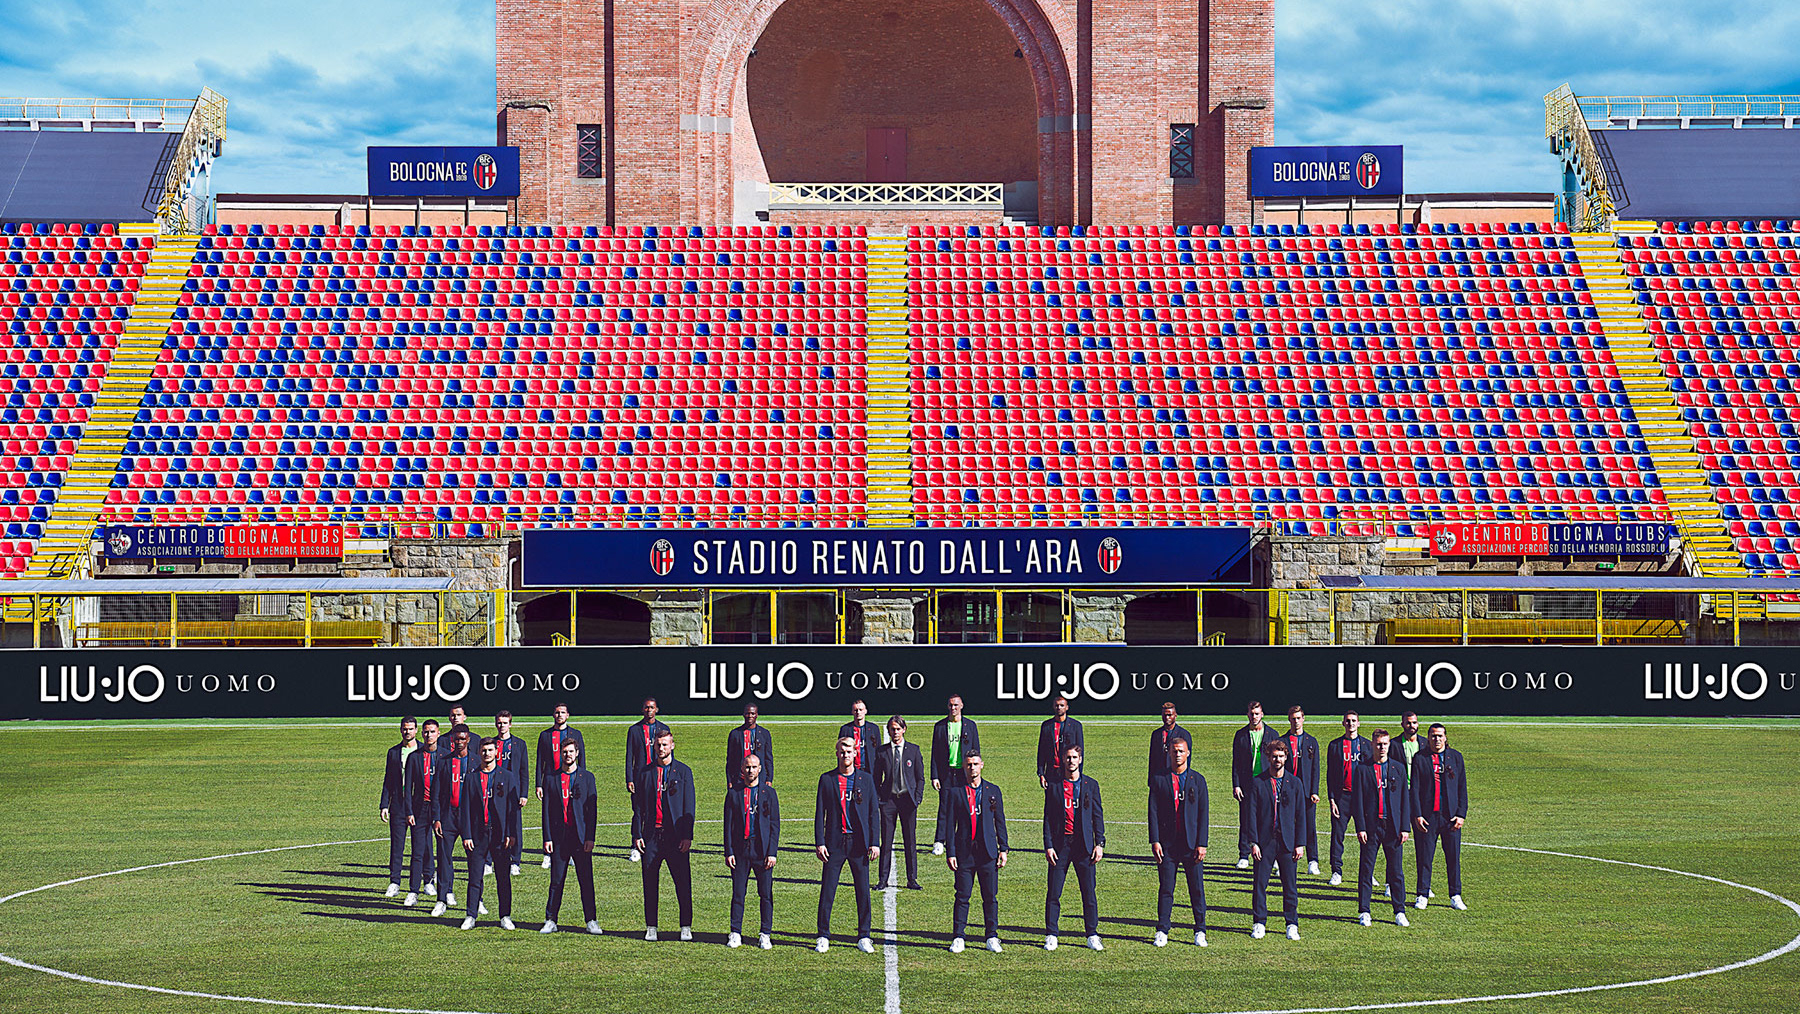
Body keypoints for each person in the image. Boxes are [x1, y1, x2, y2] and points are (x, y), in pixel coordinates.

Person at [814, 736, 880, 953]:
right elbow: (819, 814)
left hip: (859, 843)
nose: (845, 755)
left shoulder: (866, 780)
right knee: (828, 889)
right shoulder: (827, 779)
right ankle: (823, 934)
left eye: (849, 751)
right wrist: (820, 842)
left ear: (855, 754)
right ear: (837, 754)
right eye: (842, 751)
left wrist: (875, 843)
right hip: (835, 843)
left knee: (862, 891)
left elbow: (873, 813)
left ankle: (864, 935)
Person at [633, 729, 695, 941]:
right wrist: (637, 833)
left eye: (665, 745)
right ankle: (651, 926)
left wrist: (687, 835)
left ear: (672, 745)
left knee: (682, 882)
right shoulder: (645, 772)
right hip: (651, 836)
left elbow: (689, 806)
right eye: (658, 745)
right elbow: (638, 807)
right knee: (649, 882)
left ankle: (685, 925)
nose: (661, 748)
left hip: (675, 837)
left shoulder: (684, 772)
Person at [1041, 743, 1104, 952]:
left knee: (1088, 892)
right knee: (1054, 892)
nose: (1071, 761)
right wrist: (1048, 845)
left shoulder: (1090, 785)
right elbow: (1048, 818)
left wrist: (1099, 843)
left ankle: (1092, 934)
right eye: (1068, 758)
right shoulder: (1055, 785)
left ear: (1081, 759)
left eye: (1074, 757)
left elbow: (1097, 815)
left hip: (1083, 845)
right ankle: (1051, 934)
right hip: (1061, 846)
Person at [1147, 736, 1208, 949]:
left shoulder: (1197, 780)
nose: (1178, 754)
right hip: (1167, 845)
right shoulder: (1159, 779)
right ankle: (1162, 929)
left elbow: (1203, 814)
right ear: (1169, 753)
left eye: (1181, 751)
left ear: (1188, 753)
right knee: (1166, 888)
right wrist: (1155, 840)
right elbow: (1152, 811)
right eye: (1174, 751)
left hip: (1191, 845)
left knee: (1196, 889)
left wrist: (1202, 843)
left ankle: (1200, 929)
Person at [946, 752, 1008, 954]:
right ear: (964, 767)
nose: (972, 768)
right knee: (962, 895)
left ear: (982, 765)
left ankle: (991, 935)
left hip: (988, 852)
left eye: (975, 764)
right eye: (968, 764)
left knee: (990, 896)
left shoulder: (992, 790)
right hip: (964, 853)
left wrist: (1004, 848)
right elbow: (950, 825)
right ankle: (958, 936)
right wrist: (951, 851)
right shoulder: (956, 792)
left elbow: (1000, 821)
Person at [457, 736, 521, 930]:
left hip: (500, 835)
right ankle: (471, 915)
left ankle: (505, 916)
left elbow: (513, 809)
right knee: (475, 876)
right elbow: (465, 809)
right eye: (484, 751)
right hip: (478, 834)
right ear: (479, 753)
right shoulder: (471, 777)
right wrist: (466, 835)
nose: (487, 754)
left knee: (503, 877)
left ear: (497, 752)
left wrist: (512, 834)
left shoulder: (507, 776)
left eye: (490, 750)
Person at [541, 739, 602, 935]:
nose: (567, 755)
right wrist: (547, 838)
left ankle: (591, 920)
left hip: (581, 837)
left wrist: (590, 837)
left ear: (577, 753)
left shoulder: (587, 777)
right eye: (564, 752)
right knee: (556, 880)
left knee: (585, 879)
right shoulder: (551, 778)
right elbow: (546, 811)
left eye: (570, 751)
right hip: (560, 837)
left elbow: (592, 810)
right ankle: (551, 919)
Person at [1247, 737, 1304, 941]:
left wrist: (1300, 844)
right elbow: (1250, 815)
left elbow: (1301, 815)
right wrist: (1253, 842)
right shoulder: (1258, 782)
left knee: (1290, 885)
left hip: (1288, 842)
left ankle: (1291, 924)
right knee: (1260, 884)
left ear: (1286, 758)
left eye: (1280, 756)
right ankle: (1259, 922)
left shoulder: (1294, 783)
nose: (1277, 760)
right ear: (1268, 758)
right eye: (1273, 756)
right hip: (1265, 842)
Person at [1354, 729, 1412, 927]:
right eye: (1378, 744)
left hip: (1393, 827)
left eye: (1385, 744)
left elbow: (1405, 798)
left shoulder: (1397, 768)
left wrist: (1405, 827)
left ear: (1389, 745)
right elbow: (1358, 801)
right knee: (1366, 869)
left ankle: (1399, 910)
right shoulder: (1363, 769)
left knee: (1396, 871)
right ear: (1372, 745)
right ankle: (1364, 910)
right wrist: (1360, 827)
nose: (1381, 747)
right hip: (1371, 827)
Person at [724, 753, 780, 950]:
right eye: (747, 767)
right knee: (738, 893)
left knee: (765, 893)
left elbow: (774, 825)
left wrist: (772, 852)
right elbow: (728, 825)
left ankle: (765, 933)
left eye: (754, 767)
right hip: (740, 850)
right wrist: (728, 851)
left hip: (762, 850)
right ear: (742, 769)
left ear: (760, 769)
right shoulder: (734, 793)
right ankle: (735, 932)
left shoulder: (769, 793)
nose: (750, 771)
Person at [1411, 723, 1469, 911]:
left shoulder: (1456, 758)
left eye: (1440, 736)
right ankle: (1422, 894)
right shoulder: (1420, 758)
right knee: (1424, 857)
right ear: (1428, 738)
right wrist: (1417, 815)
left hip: (1450, 817)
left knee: (1453, 857)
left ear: (1445, 738)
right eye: (1433, 736)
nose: (1436, 739)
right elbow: (1416, 790)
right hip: (1428, 817)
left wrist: (1461, 815)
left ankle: (1455, 894)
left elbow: (1462, 788)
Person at [874, 715, 926, 890]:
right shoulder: (882, 752)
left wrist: (917, 798)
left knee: (910, 841)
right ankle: (883, 879)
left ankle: (912, 879)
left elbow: (920, 777)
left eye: (897, 729)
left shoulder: (914, 750)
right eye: (892, 729)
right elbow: (876, 778)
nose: (894, 732)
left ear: (904, 729)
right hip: (888, 801)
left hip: (907, 801)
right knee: (886, 841)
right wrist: (879, 799)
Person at [428, 724, 475, 917]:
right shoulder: (444, 761)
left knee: (474, 859)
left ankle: (476, 900)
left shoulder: (475, 761)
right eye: (456, 739)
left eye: (462, 739)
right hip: (448, 817)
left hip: (470, 818)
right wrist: (437, 818)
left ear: (468, 739)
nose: (459, 742)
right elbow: (436, 792)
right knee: (444, 858)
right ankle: (442, 898)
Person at [1325, 711, 1373, 887]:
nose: (1351, 724)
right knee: (1337, 835)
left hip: (1363, 799)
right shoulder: (1335, 745)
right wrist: (1332, 799)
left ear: (1359, 724)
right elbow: (1330, 774)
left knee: (1367, 836)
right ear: (1343, 723)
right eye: (1348, 721)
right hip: (1342, 797)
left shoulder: (1367, 745)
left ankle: (1369, 873)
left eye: (1354, 721)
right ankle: (1336, 871)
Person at [535, 704, 585, 870]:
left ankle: (572, 852)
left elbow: (582, 759)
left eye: (562, 712)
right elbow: (539, 761)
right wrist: (539, 784)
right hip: (552, 782)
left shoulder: (576, 734)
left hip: (572, 781)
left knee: (573, 813)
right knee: (550, 815)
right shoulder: (545, 735)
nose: (559, 715)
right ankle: (548, 855)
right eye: (557, 712)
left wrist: (582, 781)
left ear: (568, 715)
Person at [930, 694, 981, 856]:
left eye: (956, 705)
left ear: (962, 706)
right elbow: (935, 754)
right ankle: (939, 841)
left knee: (966, 806)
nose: (953, 708)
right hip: (946, 773)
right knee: (944, 807)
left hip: (964, 773)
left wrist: (975, 773)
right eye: (951, 705)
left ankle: (967, 838)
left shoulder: (970, 726)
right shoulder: (940, 727)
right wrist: (935, 775)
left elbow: (976, 751)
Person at [1231, 700, 1279, 869]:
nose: (1254, 717)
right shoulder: (1241, 735)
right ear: (1247, 715)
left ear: (1262, 715)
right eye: (1251, 714)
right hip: (1247, 783)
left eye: (1257, 714)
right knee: (1246, 818)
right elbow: (1236, 762)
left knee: (1268, 818)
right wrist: (1236, 784)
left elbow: (1279, 760)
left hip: (1267, 782)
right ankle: (1244, 855)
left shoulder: (1272, 734)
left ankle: (1271, 856)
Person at [399, 719, 440, 907]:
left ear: (438, 733)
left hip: (440, 809)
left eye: (432, 732)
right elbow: (408, 788)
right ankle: (413, 891)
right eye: (426, 732)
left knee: (443, 852)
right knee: (417, 851)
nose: (428, 735)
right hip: (420, 809)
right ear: (421, 734)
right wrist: (409, 811)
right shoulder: (414, 757)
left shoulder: (445, 756)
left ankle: (443, 890)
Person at [625, 698, 671, 864]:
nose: (649, 710)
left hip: (658, 776)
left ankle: (657, 842)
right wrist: (629, 779)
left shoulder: (663, 729)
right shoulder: (634, 730)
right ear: (642, 709)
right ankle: (635, 846)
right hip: (640, 778)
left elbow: (670, 754)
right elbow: (630, 756)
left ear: (656, 709)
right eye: (646, 708)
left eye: (651, 707)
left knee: (658, 809)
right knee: (638, 811)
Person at [380, 716, 421, 899]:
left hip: (419, 805)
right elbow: (388, 780)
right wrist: (384, 804)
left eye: (411, 728)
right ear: (400, 730)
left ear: (416, 730)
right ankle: (395, 882)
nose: (407, 732)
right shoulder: (394, 752)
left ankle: (425, 881)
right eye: (405, 729)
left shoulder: (422, 751)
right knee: (397, 845)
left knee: (421, 846)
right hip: (398, 804)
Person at [1283, 706, 1322, 875]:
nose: (1296, 721)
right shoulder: (1282, 741)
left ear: (1303, 719)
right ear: (1289, 719)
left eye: (1298, 718)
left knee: (1309, 826)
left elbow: (1316, 768)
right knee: (1286, 825)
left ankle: (1312, 861)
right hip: (1287, 792)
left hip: (1307, 793)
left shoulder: (1311, 741)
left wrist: (1314, 791)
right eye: (1293, 718)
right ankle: (1283, 858)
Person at [492, 710, 530, 876]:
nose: (502, 726)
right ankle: (489, 861)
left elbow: (524, 771)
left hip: (512, 790)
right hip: (493, 790)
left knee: (514, 825)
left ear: (510, 724)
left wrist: (524, 793)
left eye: (505, 723)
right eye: (499, 723)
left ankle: (515, 861)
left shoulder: (519, 744)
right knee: (492, 825)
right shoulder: (491, 743)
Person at [1036, 694, 1085, 789]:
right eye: (1057, 705)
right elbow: (1041, 751)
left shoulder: (1075, 726)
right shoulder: (1046, 726)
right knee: (1051, 801)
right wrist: (1041, 773)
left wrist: (1079, 773)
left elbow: (1080, 750)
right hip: (1051, 771)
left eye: (1062, 705)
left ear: (1067, 707)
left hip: (1069, 770)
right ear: (1053, 707)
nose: (1059, 708)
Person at [725, 703, 775, 790]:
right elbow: (730, 759)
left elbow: (768, 758)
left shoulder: (764, 734)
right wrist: (729, 780)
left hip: (759, 777)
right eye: (747, 713)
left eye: (752, 713)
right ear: (744, 714)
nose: (750, 716)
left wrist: (769, 778)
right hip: (740, 777)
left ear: (757, 715)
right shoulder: (735, 734)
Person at [1146, 702, 1191, 786]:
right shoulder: (1156, 734)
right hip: (1159, 778)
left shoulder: (1184, 735)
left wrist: (1185, 780)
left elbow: (1187, 760)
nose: (1167, 718)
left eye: (1170, 715)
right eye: (1164, 715)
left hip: (1176, 778)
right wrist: (1151, 780)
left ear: (1175, 715)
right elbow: (1152, 759)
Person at [839, 700, 877, 774]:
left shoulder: (874, 729)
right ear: (852, 712)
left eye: (860, 710)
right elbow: (840, 751)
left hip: (869, 770)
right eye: (856, 710)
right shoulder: (845, 729)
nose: (858, 712)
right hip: (852, 770)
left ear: (865, 711)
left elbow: (878, 751)